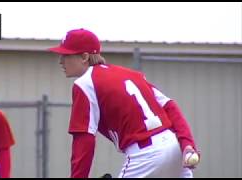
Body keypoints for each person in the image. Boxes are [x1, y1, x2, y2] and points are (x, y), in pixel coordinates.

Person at [48, 28, 200, 178]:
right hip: (175, 148)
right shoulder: (132, 75)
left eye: (66, 55)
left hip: (145, 155)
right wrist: (187, 143)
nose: (61, 61)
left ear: (84, 57)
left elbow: (84, 139)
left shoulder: (84, 84)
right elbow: (169, 106)